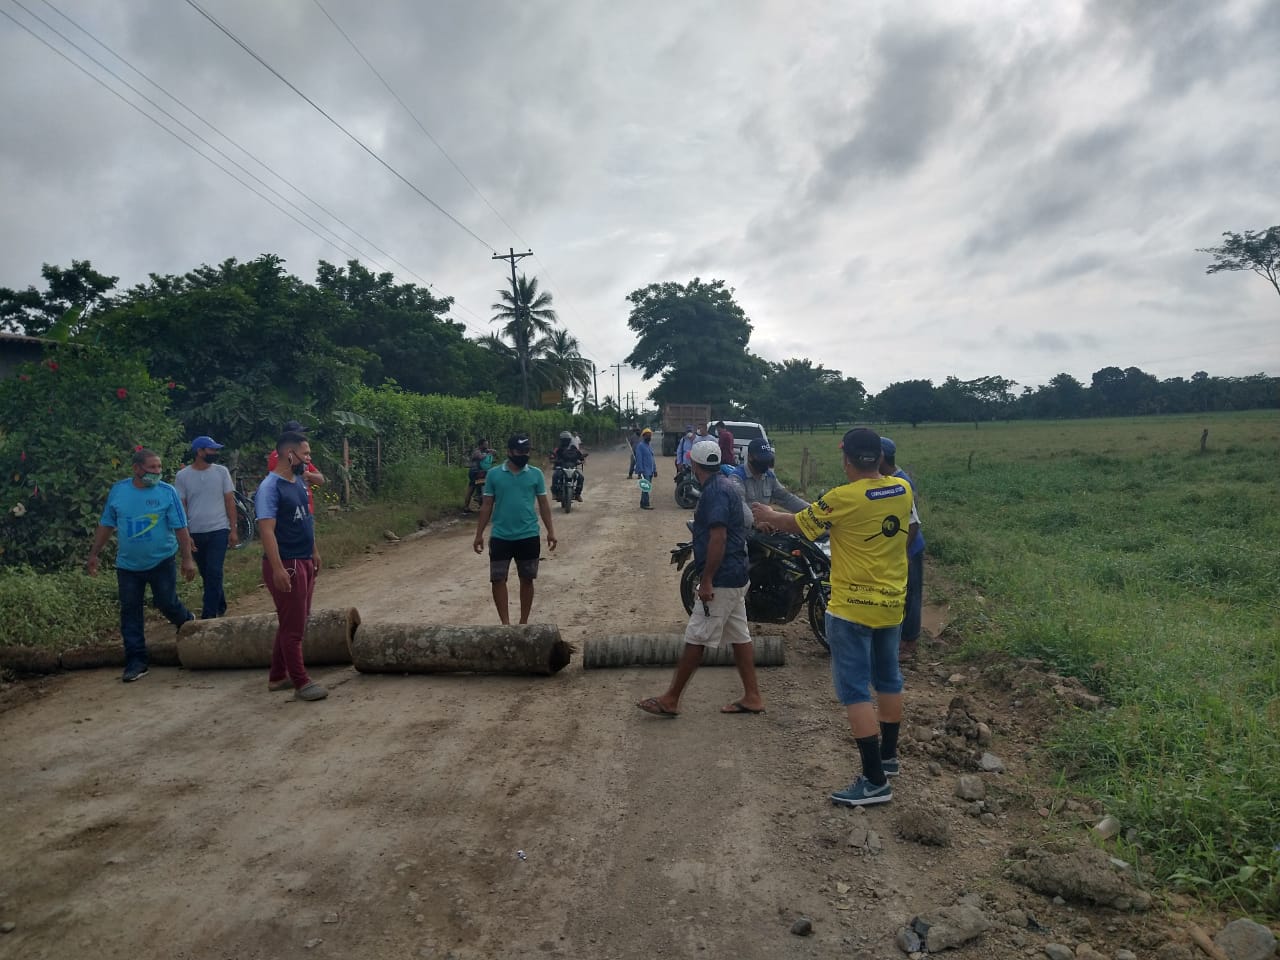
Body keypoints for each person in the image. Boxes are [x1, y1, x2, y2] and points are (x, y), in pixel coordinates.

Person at [751, 427, 913, 807]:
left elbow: (800, 524)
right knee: (889, 678)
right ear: (879, 457)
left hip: (852, 608)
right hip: (892, 604)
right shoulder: (901, 489)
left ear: (847, 460)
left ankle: (874, 782)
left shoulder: (843, 497)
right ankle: (888, 759)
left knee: (855, 690)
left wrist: (769, 514)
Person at [637, 440, 764, 717]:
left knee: (696, 637)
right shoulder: (726, 485)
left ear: (694, 465)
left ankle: (671, 699)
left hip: (723, 578)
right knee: (739, 636)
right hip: (736, 574)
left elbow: (718, 538)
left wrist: (706, 580)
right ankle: (753, 696)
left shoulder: (714, 493)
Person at [87, 447, 197, 683]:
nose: (157, 472)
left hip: (162, 560)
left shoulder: (167, 492)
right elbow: (106, 524)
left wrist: (187, 559)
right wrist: (94, 554)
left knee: (166, 601)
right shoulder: (119, 492)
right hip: (128, 566)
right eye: (152, 468)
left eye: (159, 468)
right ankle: (136, 661)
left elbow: (180, 527)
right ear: (137, 469)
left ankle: (187, 622)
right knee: (130, 611)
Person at [256, 431, 327, 701]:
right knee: (294, 628)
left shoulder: (298, 482)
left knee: (294, 621)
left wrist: (314, 552)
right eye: (305, 454)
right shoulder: (269, 488)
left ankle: (277, 676)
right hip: (288, 563)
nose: (308, 459)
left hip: (304, 559)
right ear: (290, 454)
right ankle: (301, 682)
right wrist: (277, 569)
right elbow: (267, 531)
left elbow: (305, 520)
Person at [473, 434, 558, 624]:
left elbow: (544, 504)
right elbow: (487, 505)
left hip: (528, 535)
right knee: (497, 579)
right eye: (520, 451)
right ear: (509, 452)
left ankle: (523, 623)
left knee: (527, 579)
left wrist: (550, 531)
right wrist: (479, 534)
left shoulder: (535, 474)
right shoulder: (494, 474)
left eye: (527, 451)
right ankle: (505, 624)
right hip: (500, 536)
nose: (524, 455)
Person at [174, 435, 238, 619]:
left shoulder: (221, 472)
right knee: (207, 572)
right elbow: (182, 506)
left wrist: (233, 529)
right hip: (195, 531)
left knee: (214, 570)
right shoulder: (183, 475)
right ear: (200, 451)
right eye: (212, 450)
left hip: (219, 528)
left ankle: (208, 616)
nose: (215, 453)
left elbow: (229, 501)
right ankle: (220, 604)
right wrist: (186, 535)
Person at [880, 437, 925, 662]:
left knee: (911, 594)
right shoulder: (892, 479)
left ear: (881, 458)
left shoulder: (900, 483)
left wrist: (903, 552)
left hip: (910, 547)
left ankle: (909, 642)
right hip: (903, 546)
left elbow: (913, 523)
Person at [730, 438, 809, 514]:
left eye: (767, 459)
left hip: (763, 523)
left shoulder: (769, 476)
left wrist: (811, 510)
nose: (766, 464)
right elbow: (739, 506)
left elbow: (786, 498)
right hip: (743, 525)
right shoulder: (737, 477)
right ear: (750, 457)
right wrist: (756, 522)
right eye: (762, 460)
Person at [266, 419, 326, 515]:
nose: (302, 437)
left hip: (306, 509)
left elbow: (321, 480)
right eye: (299, 434)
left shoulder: (301, 457)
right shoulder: (277, 456)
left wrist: (308, 475)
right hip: (289, 511)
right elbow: (282, 483)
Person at [549, 430, 588, 501]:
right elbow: (552, 455)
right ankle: (554, 493)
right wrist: (553, 459)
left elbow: (580, 455)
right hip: (561, 468)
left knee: (581, 478)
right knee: (555, 476)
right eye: (564, 440)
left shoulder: (573, 448)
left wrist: (582, 459)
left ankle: (577, 494)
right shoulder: (558, 448)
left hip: (572, 468)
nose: (565, 441)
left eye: (566, 439)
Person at [463, 437, 494, 512]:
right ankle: (467, 507)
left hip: (481, 473)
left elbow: (493, 453)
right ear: (480, 445)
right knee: (472, 488)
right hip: (475, 473)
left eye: (487, 444)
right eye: (485, 444)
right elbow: (480, 457)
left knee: (480, 486)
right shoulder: (477, 451)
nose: (487, 446)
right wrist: (487, 453)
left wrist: (490, 452)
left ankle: (479, 503)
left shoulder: (484, 451)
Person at [633, 428, 657, 509]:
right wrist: (640, 470)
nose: (649, 437)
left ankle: (642, 503)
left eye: (650, 435)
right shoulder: (640, 446)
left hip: (650, 470)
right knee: (646, 487)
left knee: (646, 487)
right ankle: (646, 504)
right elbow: (639, 459)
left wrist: (655, 470)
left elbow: (652, 459)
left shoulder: (649, 446)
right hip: (644, 470)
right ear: (643, 436)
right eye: (647, 435)